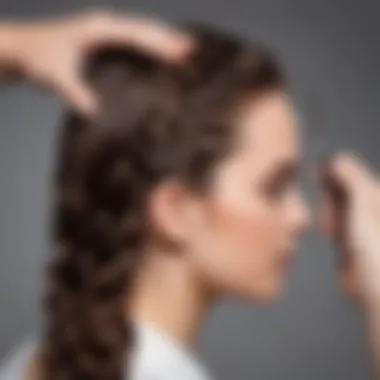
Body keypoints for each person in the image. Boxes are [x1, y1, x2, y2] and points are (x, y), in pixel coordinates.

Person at [0, 9, 380, 380]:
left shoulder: (35, 359)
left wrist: (16, 46)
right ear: (176, 210)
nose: (302, 216)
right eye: (274, 188)